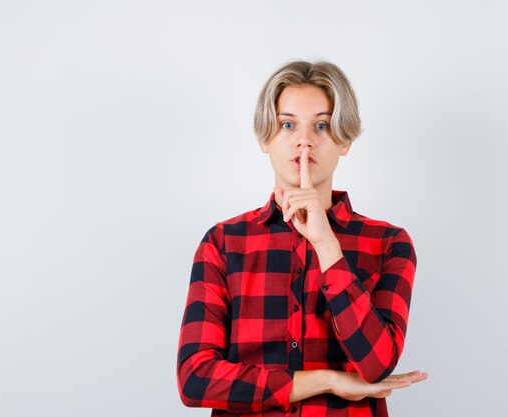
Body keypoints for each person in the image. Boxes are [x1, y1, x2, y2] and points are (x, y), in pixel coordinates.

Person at [176, 60, 428, 416]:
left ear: (346, 140)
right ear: (266, 138)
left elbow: (376, 365)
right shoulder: (223, 242)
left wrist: (327, 244)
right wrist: (326, 380)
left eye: (322, 125)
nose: (304, 141)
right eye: (288, 124)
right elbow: (195, 379)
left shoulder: (389, 243)